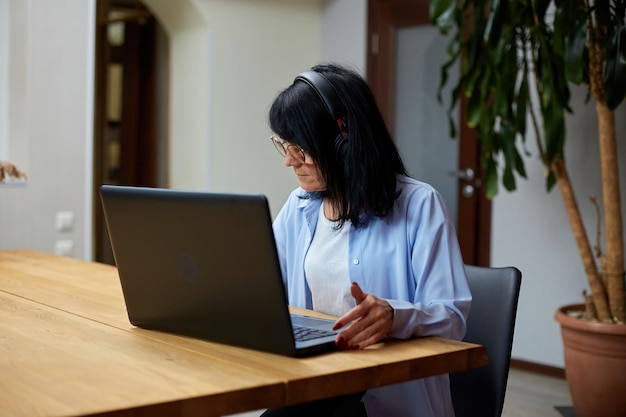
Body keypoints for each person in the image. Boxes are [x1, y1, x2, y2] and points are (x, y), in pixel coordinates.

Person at [263, 63, 471, 417]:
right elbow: (262, 287)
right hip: (319, 387)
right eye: (285, 145)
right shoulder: (298, 209)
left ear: (342, 137)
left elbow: (452, 316)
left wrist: (395, 316)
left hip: (387, 401)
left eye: (301, 149)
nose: (289, 161)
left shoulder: (419, 205)